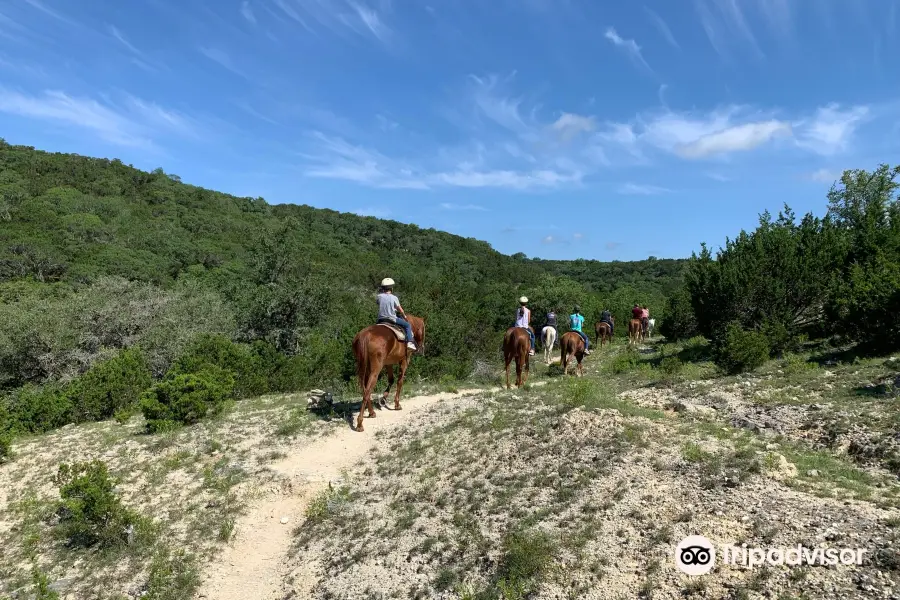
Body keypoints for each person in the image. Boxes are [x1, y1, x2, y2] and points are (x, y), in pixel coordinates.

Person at [376, 278, 417, 351]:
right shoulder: (394, 297)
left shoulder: (379, 296)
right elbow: (400, 309)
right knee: (407, 325)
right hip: (391, 319)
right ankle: (410, 342)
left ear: (383, 288)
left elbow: (380, 303)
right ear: (391, 288)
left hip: (380, 319)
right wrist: (404, 316)